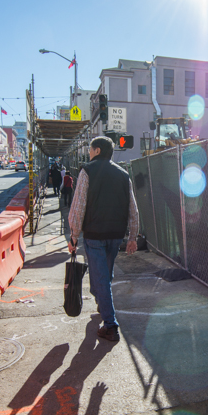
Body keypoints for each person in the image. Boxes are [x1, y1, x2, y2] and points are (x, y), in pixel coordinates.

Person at [68, 136, 139, 342]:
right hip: (116, 235)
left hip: (94, 235)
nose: (89, 153)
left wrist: (73, 236)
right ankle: (102, 301)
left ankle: (110, 325)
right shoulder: (124, 175)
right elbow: (133, 209)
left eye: (90, 150)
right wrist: (132, 236)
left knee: (101, 279)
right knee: (104, 275)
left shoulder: (87, 171)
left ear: (97, 150)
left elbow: (79, 206)